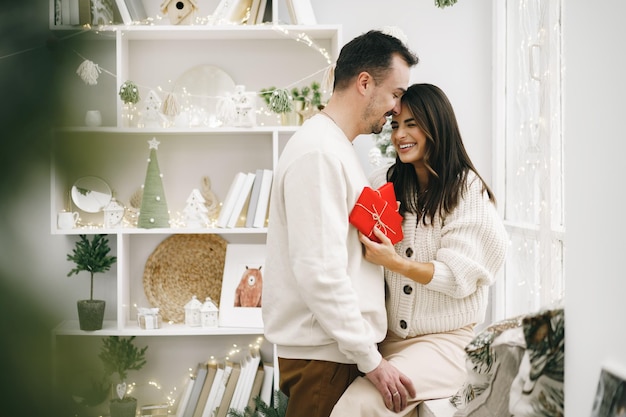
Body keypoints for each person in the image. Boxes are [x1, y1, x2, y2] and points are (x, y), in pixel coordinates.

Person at [261, 30, 419, 417]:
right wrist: (370, 360)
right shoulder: (318, 153)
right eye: (395, 94)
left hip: (336, 352)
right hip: (326, 359)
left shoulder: (335, 149)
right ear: (364, 82)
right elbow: (319, 271)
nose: (397, 109)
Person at [330, 83, 508, 417]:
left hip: (446, 344)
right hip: (385, 339)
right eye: (396, 125)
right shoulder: (384, 180)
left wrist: (394, 262)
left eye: (412, 124)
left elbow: (457, 276)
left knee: (357, 407)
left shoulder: (466, 190)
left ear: (436, 126)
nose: (400, 135)